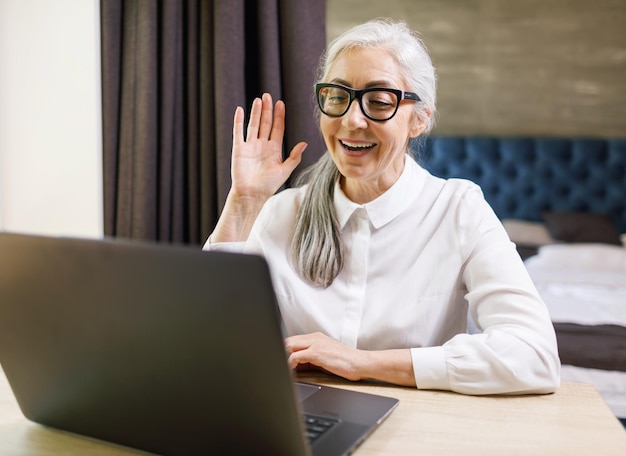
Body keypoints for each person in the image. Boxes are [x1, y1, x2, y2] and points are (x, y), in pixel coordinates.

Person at [203, 18, 560, 395]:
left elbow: (534, 355)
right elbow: (208, 342)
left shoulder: (458, 210)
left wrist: (361, 364)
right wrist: (244, 201)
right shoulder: (281, 212)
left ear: (419, 118)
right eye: (338, 97)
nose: (352, 120)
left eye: (379, 101)